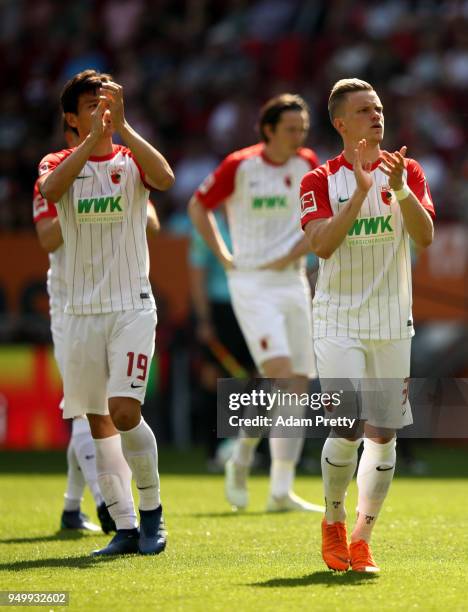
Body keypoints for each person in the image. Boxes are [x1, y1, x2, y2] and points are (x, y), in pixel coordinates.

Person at [37, 69, 174, 556]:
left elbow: (165, 179)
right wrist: (92, 140)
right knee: (98, 423)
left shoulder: (131, 159)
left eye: (109, 102)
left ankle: (154, 512)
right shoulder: (56, 162)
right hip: (79, 311)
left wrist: (125, 129)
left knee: (124, 410)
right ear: (71, 117)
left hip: (131, 304)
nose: (103, 111)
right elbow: (51, 193)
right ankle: (125, 525)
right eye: (92, 105)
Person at [300, 78, 435, 572]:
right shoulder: (318, 180)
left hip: (392, 322)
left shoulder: (409, 171)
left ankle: (361, 537)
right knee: (346, 425)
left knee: (384, 435)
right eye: (364, 110)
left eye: (378, 108)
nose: (376, 116)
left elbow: (425, 236)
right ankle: (333, 522)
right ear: (340, 123)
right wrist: (358, 195)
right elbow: (321, 246)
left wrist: (397, 189)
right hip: (337, 321)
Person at [189, 93, 323, 513]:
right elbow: (198, 205)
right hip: (252, 283)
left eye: (302, 128)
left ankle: (281, 489)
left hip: (293, 281)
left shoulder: (307, 163)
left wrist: (295, 254)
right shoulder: (240, 166)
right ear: (268, 130)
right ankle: (242, 455)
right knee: (280, 373)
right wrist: (224, 255)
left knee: (298, 384)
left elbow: (318, 218)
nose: (298, 135)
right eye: (290, 128)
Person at [33, 123, 114, 534]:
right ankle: (107, 504)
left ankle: (70, 507)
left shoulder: (120, 164)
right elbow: (47, 237)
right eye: (90, 109)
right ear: (70, 127)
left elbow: (150, 219)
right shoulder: (53, 168)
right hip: (70, 305)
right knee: (86, 410)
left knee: (99, 409)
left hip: (112, 301)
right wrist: (81, 201)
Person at [189, 207, 255, 471]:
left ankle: (250, 451)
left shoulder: (256, 220)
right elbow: (197, 274)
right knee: (213, 379)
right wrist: (204, 319)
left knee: (256, 379)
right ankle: (214, 449)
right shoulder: (208, 224)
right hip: (220, 310)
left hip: (252, 308)